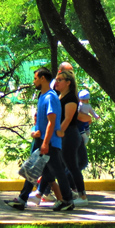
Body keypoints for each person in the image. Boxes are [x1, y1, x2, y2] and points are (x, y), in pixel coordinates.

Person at [4, 67, 75, 211]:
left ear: (43, 79)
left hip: (49, 143)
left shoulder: (50, 97)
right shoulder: (42, 96)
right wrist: (36, 132)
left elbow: (51, 121)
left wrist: (45, 143)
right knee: (33, 170)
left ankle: (67, 201)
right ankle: (22, 199)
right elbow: (41, 122)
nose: (34, 81)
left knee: (58, 173)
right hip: (41, 140)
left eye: (36, 78)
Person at [50, 69, 88, 206]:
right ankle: (64, 194)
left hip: (70, 135)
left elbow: (68, 118)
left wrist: (59, 132)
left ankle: (82, 196)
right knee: (61, 165)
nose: (57, 82)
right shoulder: (60, 96)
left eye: (60, 80)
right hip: (63, 135)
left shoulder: (71, 98)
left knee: (72, 166)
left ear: (68, 83)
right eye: (56, 80)